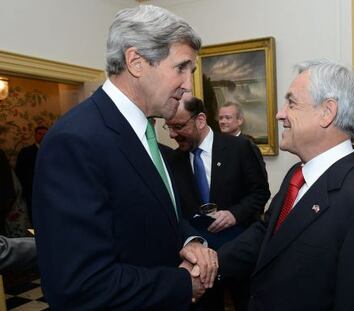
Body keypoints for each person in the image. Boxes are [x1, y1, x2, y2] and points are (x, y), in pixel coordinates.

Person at [32, 5, 218, 310]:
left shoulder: (142, 132)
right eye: (181, 68)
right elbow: (80, 285)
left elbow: (154, 216)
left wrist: (190, 242)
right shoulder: (75, 141)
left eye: (191, 71)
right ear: (136, 62)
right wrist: (183, 284)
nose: (188, 86)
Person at [218, 59, 354, 310]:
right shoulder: (296, 175)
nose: (280, 114)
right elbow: (266, 235)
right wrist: (211, 262)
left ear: (327, 112)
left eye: (291, 103)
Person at [164, 95, 270, 311]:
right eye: (169, 127)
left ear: (200, 120)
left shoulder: (240, 148)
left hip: (239, 252)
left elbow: (260, 192)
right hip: (200, 261)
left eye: (178, 126)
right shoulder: (173, 161)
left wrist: (234, 214)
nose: (173, 134)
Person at [218, 102, 267, 178]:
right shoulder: (218, 144)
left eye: (228, 118)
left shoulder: (248, 145)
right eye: (220, 118)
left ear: (240, 120)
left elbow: (259, 178)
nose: (223, 122)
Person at [15, 126, 47, 223]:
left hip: (49, 190)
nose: (42, 136)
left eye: (45, 134)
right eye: (40, 133)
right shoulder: (26, 151)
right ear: (35, 135)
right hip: (31, 190)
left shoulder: (53, 151)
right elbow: (19, 171)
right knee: (34, 217)